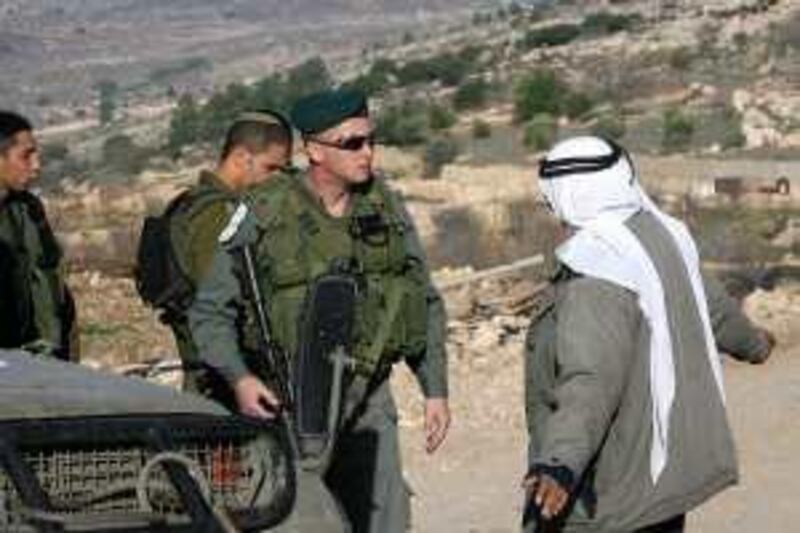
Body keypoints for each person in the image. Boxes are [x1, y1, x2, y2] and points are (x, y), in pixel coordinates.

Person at [188, 88, 450, 533]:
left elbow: (421, 297)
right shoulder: (264, 210)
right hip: (294, 401)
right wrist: (241, 379)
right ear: (314, 151)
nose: (367, 153)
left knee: (384, 520)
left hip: (369, 397)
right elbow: (210, 312)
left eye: (370, 140)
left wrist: (435, 389)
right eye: (351, 143)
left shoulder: (385, 205)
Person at [522, 136, 775, 532]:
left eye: (549, 195)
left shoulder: (598, 266)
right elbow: (717, 311)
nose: (547, 205)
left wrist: (559, 463)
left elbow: (591, 379)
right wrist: (756, 343)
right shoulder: (663, 235)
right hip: (663, 486)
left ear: (569, 192)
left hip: (613, 494)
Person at [138, 109, 292, 407]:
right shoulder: (221, 216)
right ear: (241, 158)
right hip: (227, 380)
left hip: (211, 374)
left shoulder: (187, 206)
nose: (277, 181)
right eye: (271, 168)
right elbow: (217, 301)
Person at [0, 110, 76, 360]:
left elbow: (48, 283)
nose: (36, 165)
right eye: (26, 156)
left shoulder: (28, 210)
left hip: (34, 360)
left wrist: (55, 354)